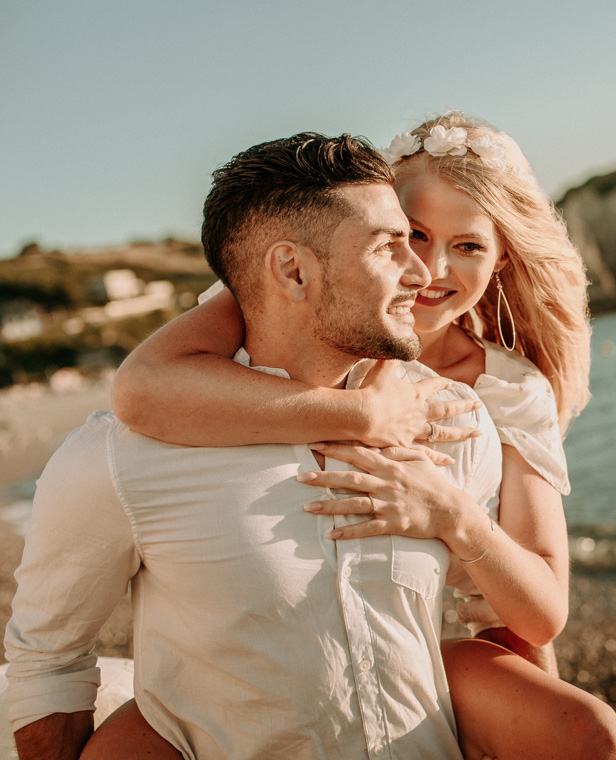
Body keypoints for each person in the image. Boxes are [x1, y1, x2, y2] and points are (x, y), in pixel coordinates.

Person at [81, 115, 616, 759]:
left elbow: (535, 612)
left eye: (468, 247)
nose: (429, 269)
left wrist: (449, 511)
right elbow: (142, 389)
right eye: (416, 234)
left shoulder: (507, 390)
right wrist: (365, 415)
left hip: (452, 645)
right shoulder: (282, 305)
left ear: (502, 257)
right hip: (272, 639)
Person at [4, 132, 498, 759]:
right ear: (293, 270)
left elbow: (501, 620)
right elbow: (48, 664)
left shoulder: (453, 420)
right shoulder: (119, 459)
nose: (422, 273)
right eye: (388, 246)